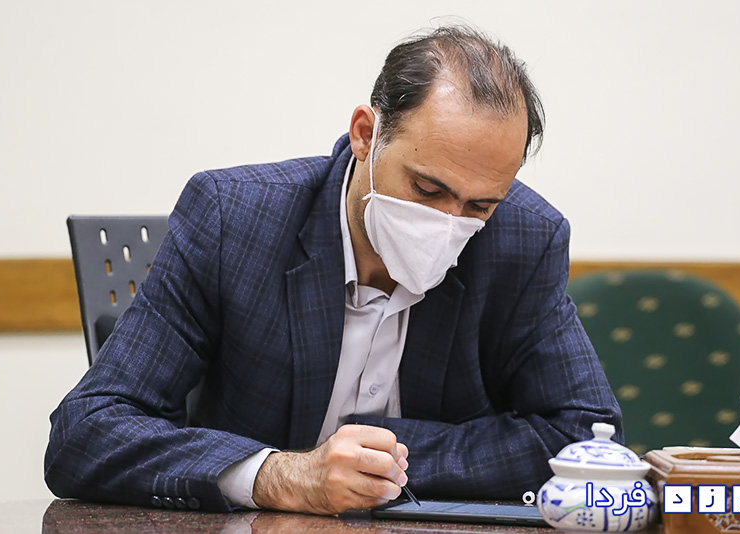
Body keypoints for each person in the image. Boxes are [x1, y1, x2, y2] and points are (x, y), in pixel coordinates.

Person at [45, 25, 621, 515]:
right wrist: (280, 474)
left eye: (480, 205)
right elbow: (85, 431)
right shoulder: (234, 219)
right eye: (427, 189)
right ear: (366, 135)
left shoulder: (524, 238)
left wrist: (379, 459)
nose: (449, 223)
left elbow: (584, 435)